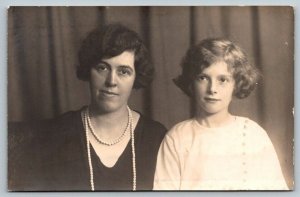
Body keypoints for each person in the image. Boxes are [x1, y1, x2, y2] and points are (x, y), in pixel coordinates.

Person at [8, 24, 167, 191]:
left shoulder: (155, 137)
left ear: (136, 77)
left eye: (123, 71)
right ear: (88, 71)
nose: (111, 81)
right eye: (102, 68)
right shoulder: (56, 134)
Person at [153, 38, 288, 190]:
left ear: (236, 84)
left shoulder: (253, 134)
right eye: (203, 78)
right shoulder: (177, 137)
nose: (212, 89)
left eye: (223, 80)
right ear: (191, 82)